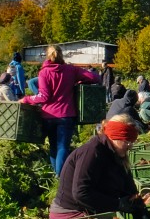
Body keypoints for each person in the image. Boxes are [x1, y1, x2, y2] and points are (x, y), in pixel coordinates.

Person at [48, 115, 148, 219]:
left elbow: (130, 192)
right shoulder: (93, 151)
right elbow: (80, 193)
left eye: (132, 141)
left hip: (90, 211)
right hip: (67, 216)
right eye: (127, 140)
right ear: (115, 136)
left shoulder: (118, 156)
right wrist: (117, 204)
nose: (130, 146)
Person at [21, 45, 101, 176]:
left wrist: (26, 99)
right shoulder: (71, 70)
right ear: (61, 55)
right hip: (66, 115)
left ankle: (57, 176)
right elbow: (95, 78)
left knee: (53, 147)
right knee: (62, 147)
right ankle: (61, 177)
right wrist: (79, 82)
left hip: (48, 116)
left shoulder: (44, 72)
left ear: (47, 56)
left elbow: (43, 96)